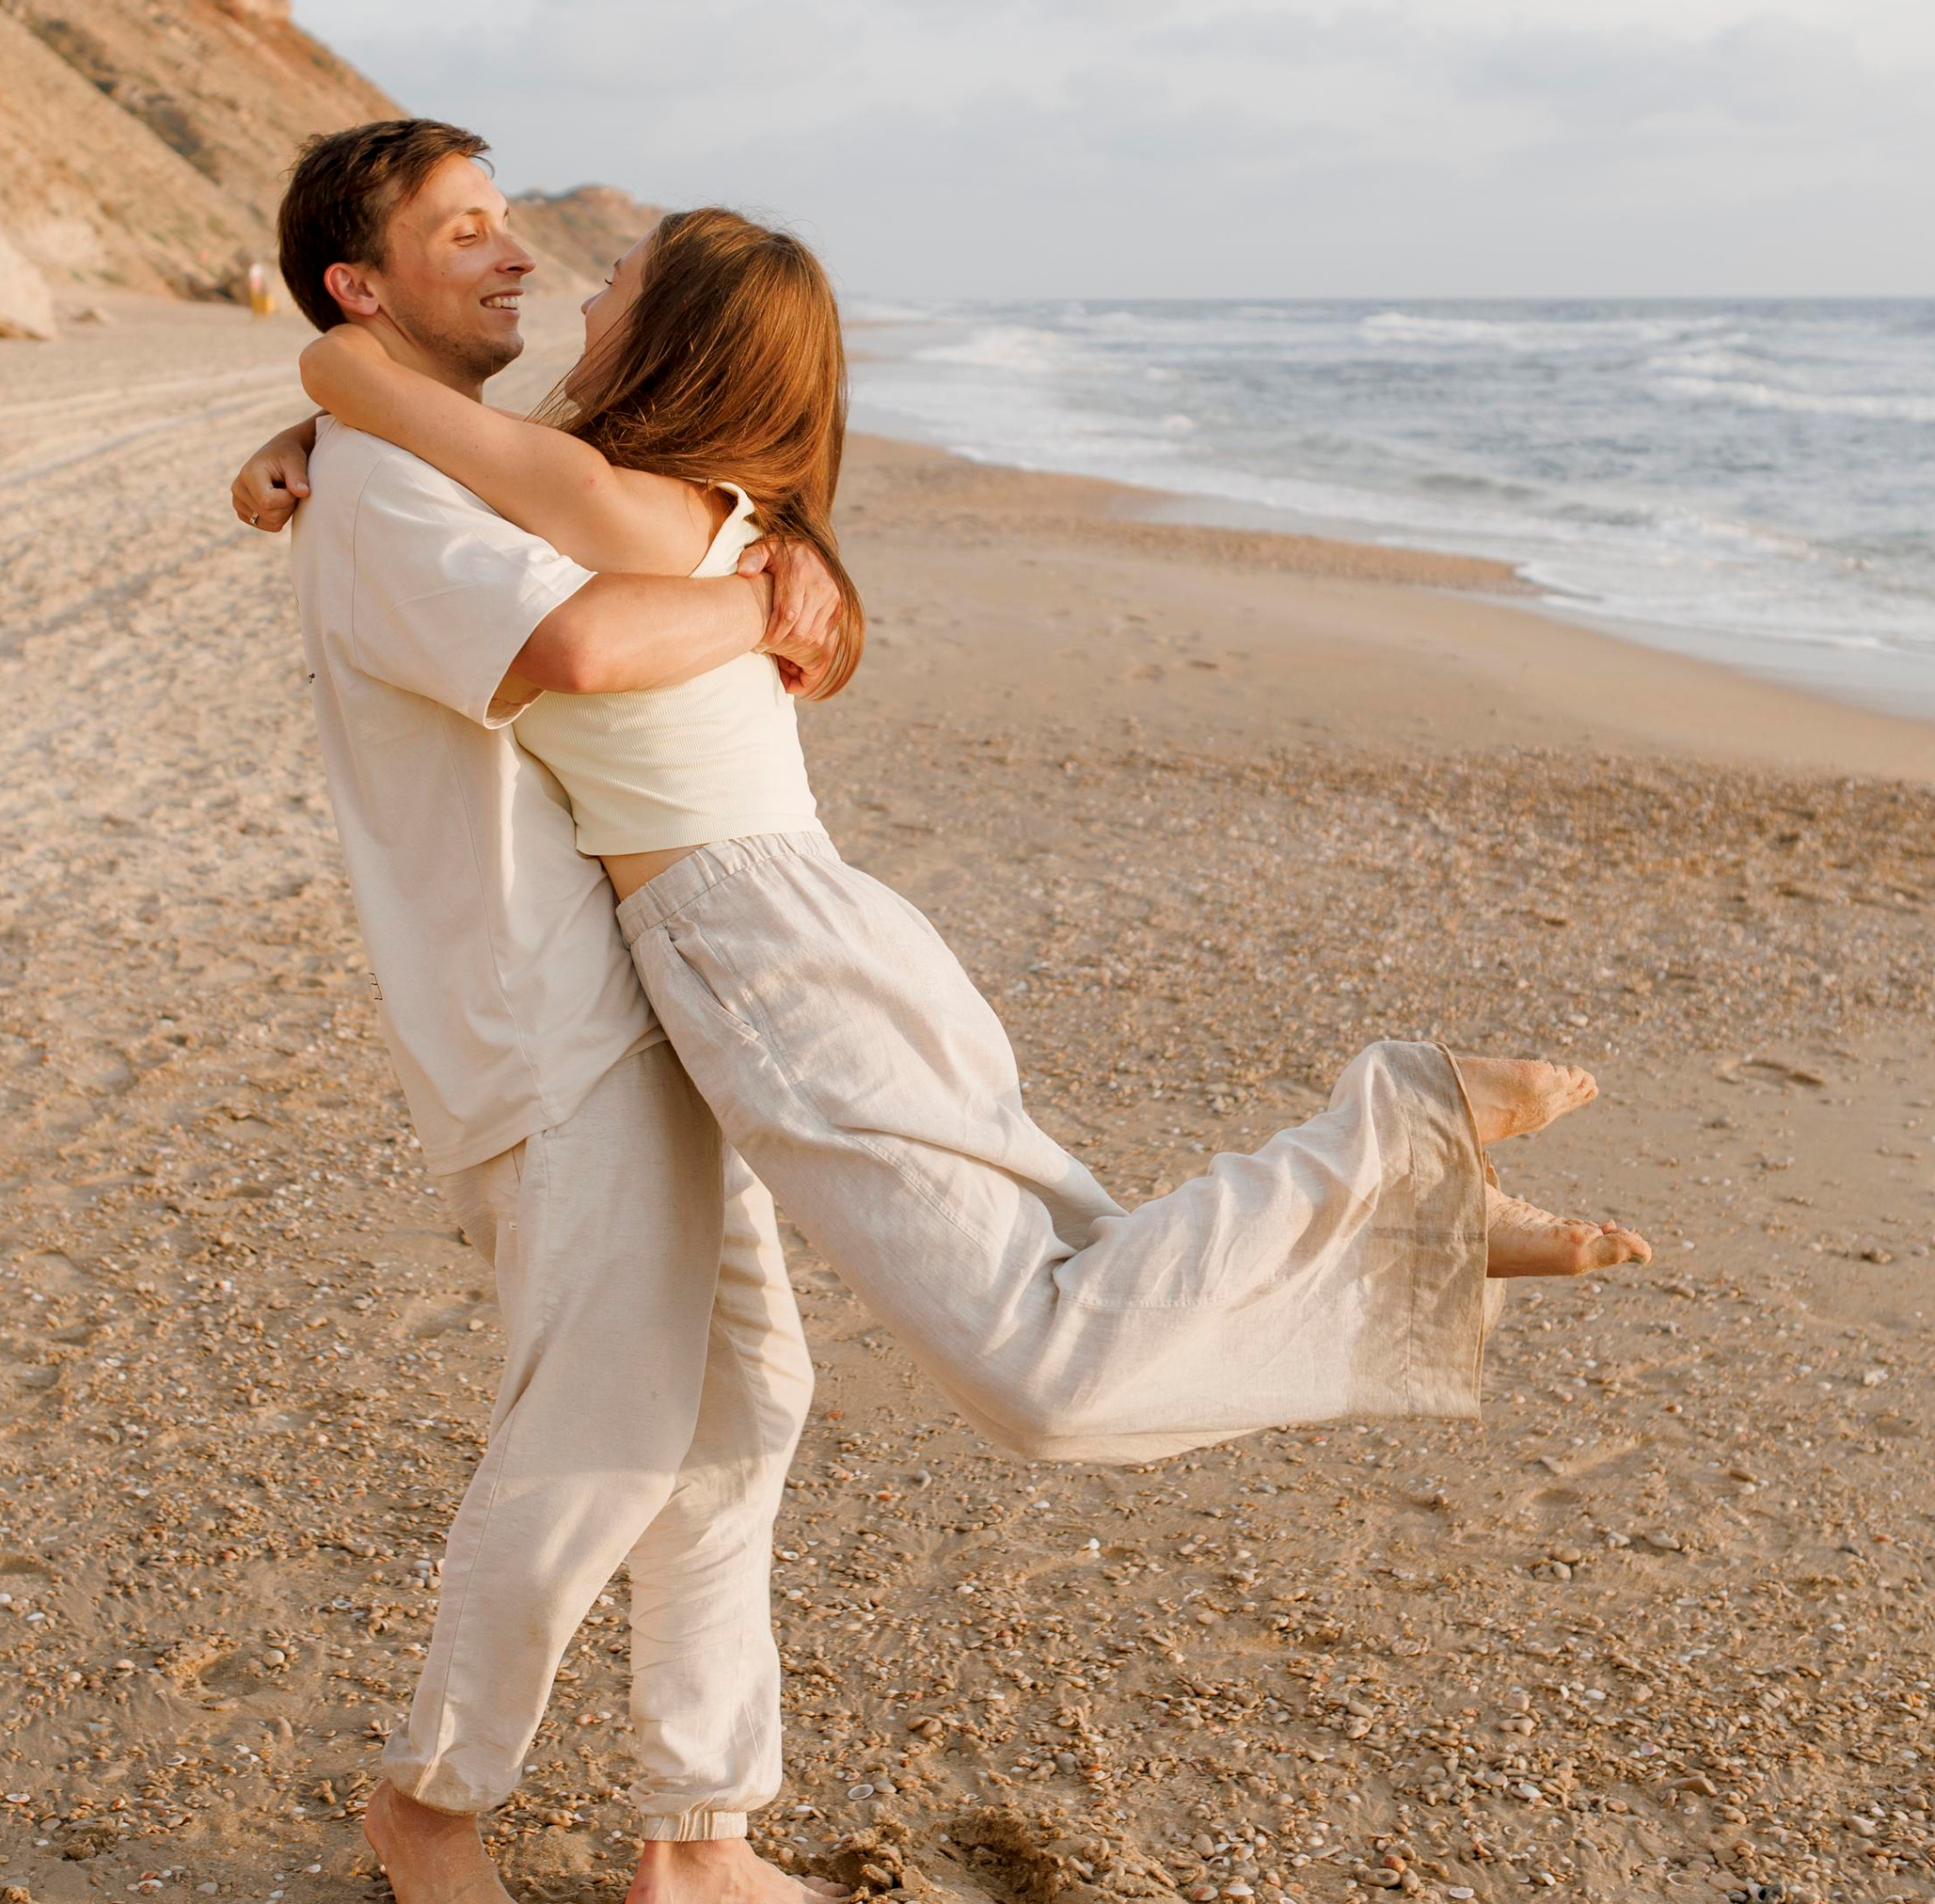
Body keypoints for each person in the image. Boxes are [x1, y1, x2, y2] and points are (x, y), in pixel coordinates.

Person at [234, 189, 1646, 1503]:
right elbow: (440, 453)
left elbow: (385, 410)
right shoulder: (680, 502)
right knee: (1092, 1279)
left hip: (753, 945)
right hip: (812, 918)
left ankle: (1399, 1128)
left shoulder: (635, 514)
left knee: (1052, 1385)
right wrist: (306, 455)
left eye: (621, 283)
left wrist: (333, 400)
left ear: (669, 340)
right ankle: (1426, 1232)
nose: (582, 297)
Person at [248, 119, 858, 1904]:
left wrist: (793, 539)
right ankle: (432, 1799)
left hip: (637, 999)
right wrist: (772, 598)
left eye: (510, 227)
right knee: (595, 1432)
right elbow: (592, 635)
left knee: (746, 1403)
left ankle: (697, 1832)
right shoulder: (395, 489)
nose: (511, 259)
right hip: (542, 1019)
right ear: (362, 288)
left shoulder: (444, 459)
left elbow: (618, 500)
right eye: (463, 234)